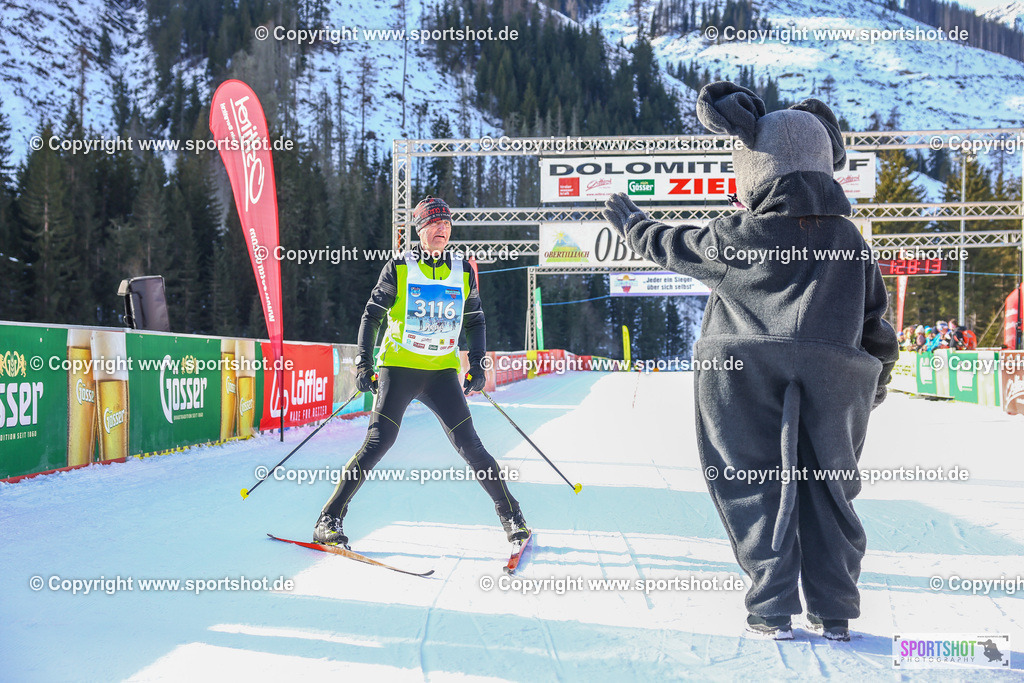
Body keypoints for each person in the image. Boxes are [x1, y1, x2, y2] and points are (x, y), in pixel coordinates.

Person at [604, 82, 899, 642]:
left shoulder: (738, 233)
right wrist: (872, 385)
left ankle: (771, 608)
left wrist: (632, 222)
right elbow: (876, 326)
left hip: (741, 373)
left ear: (755, 169)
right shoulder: (849, 242)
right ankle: (833, 612)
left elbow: (672, 245)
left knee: (750, 482)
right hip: (835, 373)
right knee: (829, 487)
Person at [313, 196, 529, 549]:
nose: (441, 228)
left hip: (442, 371)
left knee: (471, 446)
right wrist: (364, 363)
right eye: (433, 223)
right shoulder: (399, 267)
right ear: (420, 230)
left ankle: (513, 516)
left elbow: (475, 319)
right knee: (378, 443)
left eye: (446, 223)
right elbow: (372, 316)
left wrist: (477, 363)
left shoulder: (462, 270)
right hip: (399, 367)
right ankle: (329, 519)